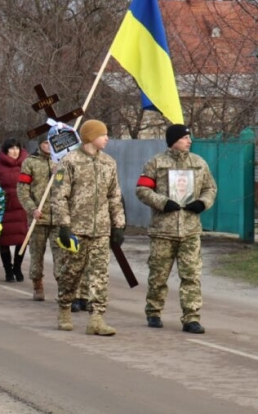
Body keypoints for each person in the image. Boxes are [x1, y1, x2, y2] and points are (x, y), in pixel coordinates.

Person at [135, 123, 218, 333]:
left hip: (190, 230)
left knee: (191, 275)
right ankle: (153, 311)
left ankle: (191, 317)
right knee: (158, 274)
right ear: (174, 140)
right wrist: (162, 202)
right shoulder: (156, 162)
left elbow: (210, 188)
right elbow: (142, 189)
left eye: (189, 138)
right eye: (185, 138)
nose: (189, 141)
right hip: (163, 230)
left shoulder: (199, 163)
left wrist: (202, 203)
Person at [53, 120, 125, 335]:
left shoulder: (109, 163)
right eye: (103, 134)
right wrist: (64, 225)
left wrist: (118, 224)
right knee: (72, 272)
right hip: (76, 229)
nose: (107, 138)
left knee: (100, 274)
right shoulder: (69, 162)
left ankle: (96, 318)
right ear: (91, 136)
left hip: (101, 229)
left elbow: (114, 196)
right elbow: (59, 196)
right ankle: (65, 307)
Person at [17, 134, 62, 300]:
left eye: (51, 142)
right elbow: (22, 190)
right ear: (40, 144)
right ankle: (37, 285)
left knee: (61, 256)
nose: (49, 145)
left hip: (58, 217)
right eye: (45, 142)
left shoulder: (62, 162)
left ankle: (62, 287)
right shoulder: (30, 162)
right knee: (36, 254)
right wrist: (32, 209)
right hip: (39, 217)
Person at [0, 138, 28, 282]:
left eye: (17, 148)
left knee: (21, 240)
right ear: (6, 150)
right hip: (4, 208)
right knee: (5, 241)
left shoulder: (26, 163)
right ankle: (8, 270)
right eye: (11, 148)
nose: (14, 151)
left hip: (21, 207)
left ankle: (17, 267)